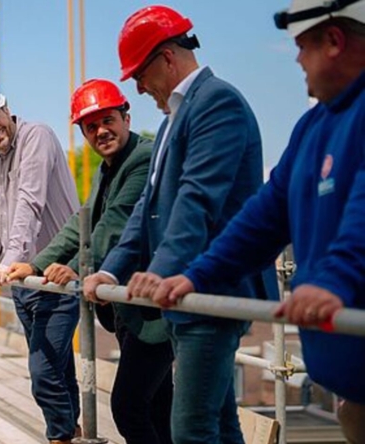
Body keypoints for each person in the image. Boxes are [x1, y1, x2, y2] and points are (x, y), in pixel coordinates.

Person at [149, 1, 365, 442]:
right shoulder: (314, 126)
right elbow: (263, 218)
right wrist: (197, 275)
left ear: (334, 41)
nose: (297, 60)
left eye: (302, 46)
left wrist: (334, 281)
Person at [81, 5, 277, 443]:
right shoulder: (174, 117)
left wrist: (161, 267)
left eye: (138, 73)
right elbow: (146, 209)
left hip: (212, 290)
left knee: (190, 430)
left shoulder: (217, 102)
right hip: (188, 295)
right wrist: (112, 269)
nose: (136, 85)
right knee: (221, 425)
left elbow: (198, 199)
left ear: (167, 57)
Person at [7, 79, 172, 444]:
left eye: (108, 120)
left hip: (152, 308)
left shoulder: (142, 159)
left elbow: (115, 224)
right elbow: (81, 220)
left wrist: (78, 269)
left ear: (126, 117)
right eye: (91, 126)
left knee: (129, 408)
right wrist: (36, 264)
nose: (101, 131)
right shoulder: (109, 167)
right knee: (159, 408)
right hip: (129, 306)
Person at [0, 83, 81, 444]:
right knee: (58, 369)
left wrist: (8, 261)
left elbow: (31, 203)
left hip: (54, 275)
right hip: (23, 284)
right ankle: (73, 431)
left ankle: (59, 437)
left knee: (42, 373)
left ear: (7, 109)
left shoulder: (37, 137)